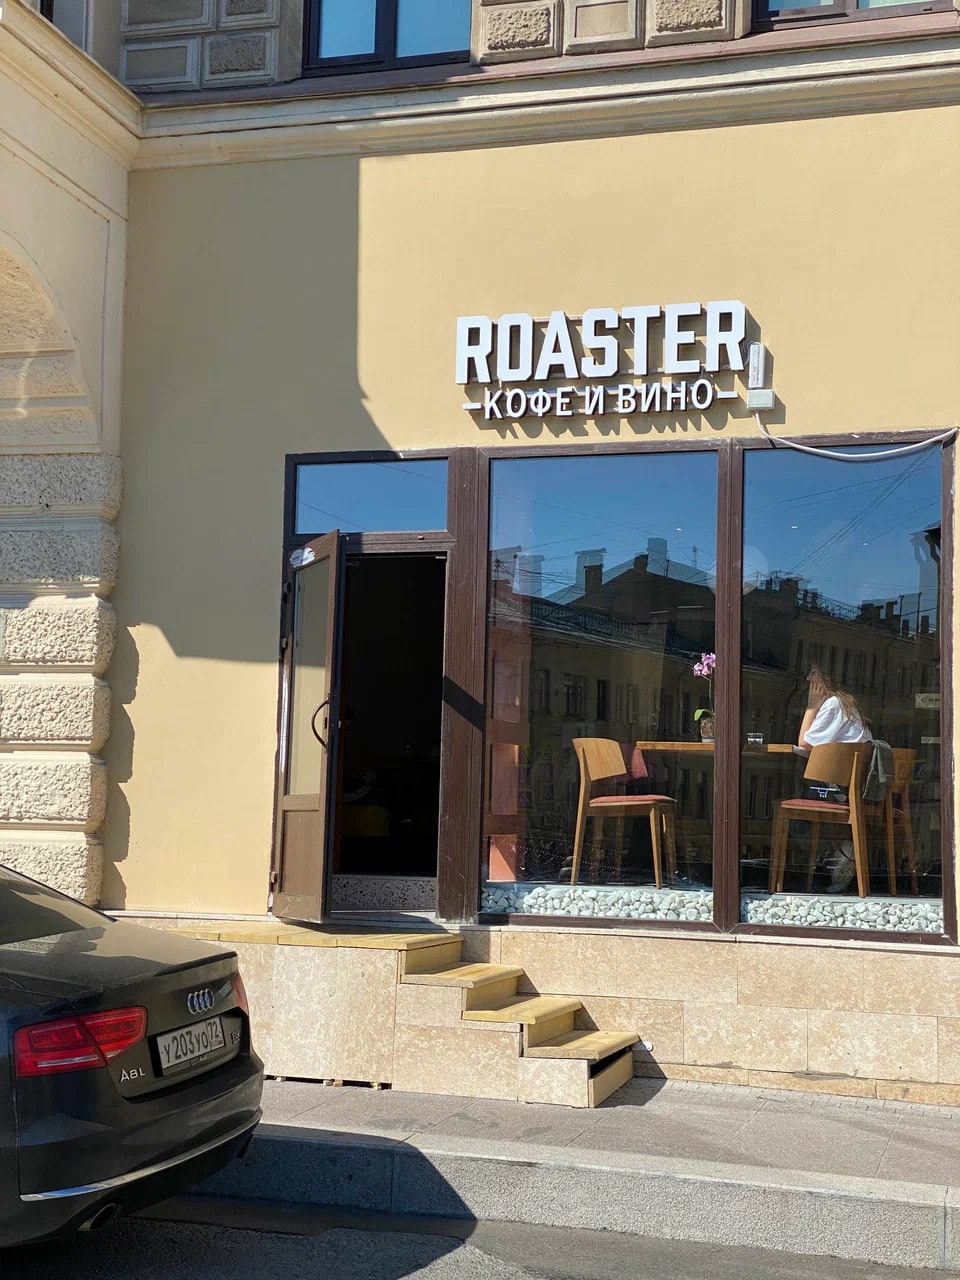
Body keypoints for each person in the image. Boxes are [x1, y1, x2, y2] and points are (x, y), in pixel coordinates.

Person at [796, 668, 872, 892]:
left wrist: (811, 706)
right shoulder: (848, 705)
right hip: (849, 789)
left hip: (838, 790)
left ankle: (832, 857)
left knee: (793, 816)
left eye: (813, 673)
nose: (808, 679)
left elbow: (804, 744)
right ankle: (837, 854)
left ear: (826, 679)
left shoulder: (833, 704)